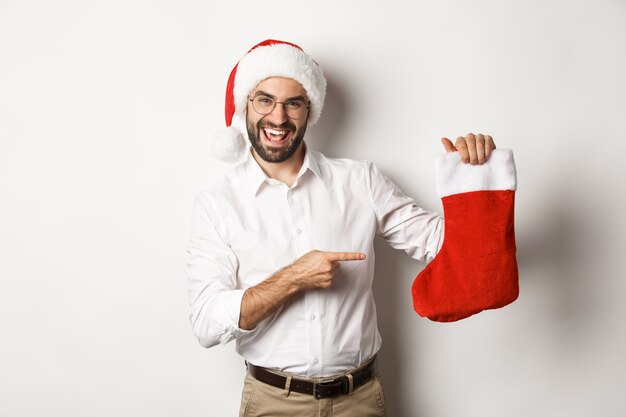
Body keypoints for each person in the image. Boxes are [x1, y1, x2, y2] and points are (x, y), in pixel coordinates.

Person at [186, 39, 498, 417]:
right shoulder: (217, 204)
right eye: (265, 100)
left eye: (293, 103)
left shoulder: (359, 181)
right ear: (245, 107)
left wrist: (475, 186)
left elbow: (444, 245)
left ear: (309, 109)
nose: (279, 118)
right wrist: (292, 278)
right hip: (272, 403)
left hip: (360, 401)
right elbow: (205, 322)